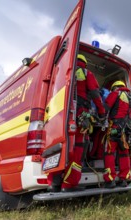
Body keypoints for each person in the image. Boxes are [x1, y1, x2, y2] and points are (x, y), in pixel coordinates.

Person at [47, 54, 106, 192]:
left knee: (59, 148)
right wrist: (102, 113)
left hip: (60, 115)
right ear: (84, 63)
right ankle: (69, 184)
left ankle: (54, 183)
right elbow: (96, 94)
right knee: (78, 147)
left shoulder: (62, 74)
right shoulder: (86, 73)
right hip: (79, 114)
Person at [103, 81, 131, 188]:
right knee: (124, 154)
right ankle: (124, 179)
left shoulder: (116, 93)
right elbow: (130, 116)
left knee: (109, 153)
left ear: (115, 87)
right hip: (126, 132)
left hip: (114, 129)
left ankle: (110, 180)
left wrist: (99, 116)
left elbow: (105, 108)